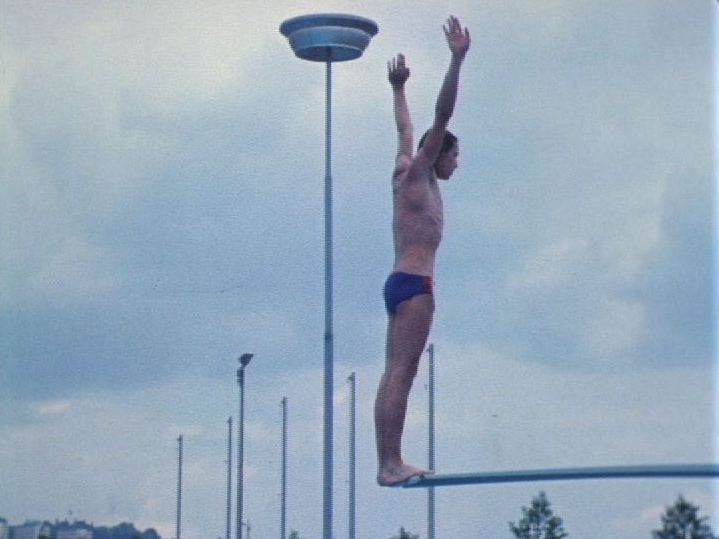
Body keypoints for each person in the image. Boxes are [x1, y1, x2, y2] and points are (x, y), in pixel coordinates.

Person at [374, 16, 470, 487]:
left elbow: (404, 130)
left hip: (399, 282)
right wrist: (456, 59)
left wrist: (397, 89)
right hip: (415, 285)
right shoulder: (419, 173)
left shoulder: (404, 170)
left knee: (395, 372)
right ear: (439, 153)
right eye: (454, 156)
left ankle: (388, 461)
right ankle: (390, 463)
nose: (457, 164)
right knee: (402, 374)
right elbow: (441, 116)